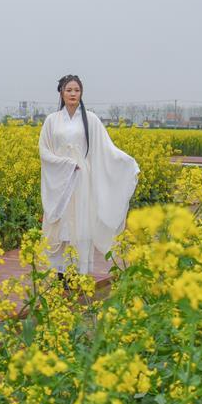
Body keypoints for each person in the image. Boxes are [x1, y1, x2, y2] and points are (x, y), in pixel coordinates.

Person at [39, 74, 139, 278]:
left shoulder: (91, 119)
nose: (73, 94)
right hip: (60, 179)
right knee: (60, 222)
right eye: (69, 90)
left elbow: (106, 148)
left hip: (81, 179)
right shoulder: (51, 120)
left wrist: (128, 163)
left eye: (77, 90)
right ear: (61, 93)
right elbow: (44, 150)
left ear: (81, 93)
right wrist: (65, 164)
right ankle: (59, 272)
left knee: (81, 223)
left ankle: (76, 272)